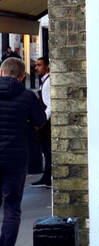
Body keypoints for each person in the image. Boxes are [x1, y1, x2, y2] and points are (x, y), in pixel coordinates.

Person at [0, 58, 46, 246]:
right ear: (22, 77)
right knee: (11, 209)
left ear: (1, 72)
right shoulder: (27, 96)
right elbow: (40, 122)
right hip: (15, 159)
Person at [32, 57, 51, 188]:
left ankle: (47, 177)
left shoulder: (47, 83)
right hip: (46, 123)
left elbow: (49, 105)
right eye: (36, 65)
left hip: (46, 124)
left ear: (47, 66)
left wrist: (42, 121)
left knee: (48, 151)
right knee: (47, 151)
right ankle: (46, 176)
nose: (36, 68)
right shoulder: (45, 82)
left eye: (39, 65)